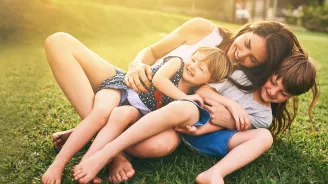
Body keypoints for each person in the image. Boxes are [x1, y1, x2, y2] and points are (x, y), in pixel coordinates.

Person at [42, 18, 302, 184]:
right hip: (137, 87)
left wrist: (226, 118)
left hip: (162, 116)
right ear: (247, 29)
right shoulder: (203, 31)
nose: (241, 53)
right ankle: (110, 147)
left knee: (155, 147)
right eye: (245, 43)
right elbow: (152, 52)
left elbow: (214, 108)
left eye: (252, 59)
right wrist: (136, 65)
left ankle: (98, 134)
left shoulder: (240, 76)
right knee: (59, 42)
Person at [72, 51, 319, 183]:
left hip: (208, 138)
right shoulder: (243, 78)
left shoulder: (264, 116)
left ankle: (215, 174)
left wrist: (203, 130)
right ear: (271, 72)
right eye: (274, 82)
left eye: (282, 93)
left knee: (264, 137)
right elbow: (203, 91)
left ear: (289, 97)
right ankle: (106, 152)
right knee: (186, 107)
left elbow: (234, 128)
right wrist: (230, 105)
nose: (273, 91)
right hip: (185, 119)